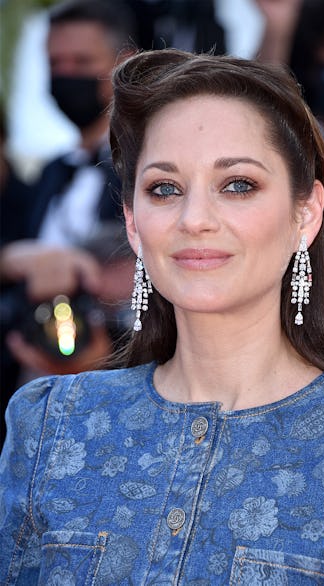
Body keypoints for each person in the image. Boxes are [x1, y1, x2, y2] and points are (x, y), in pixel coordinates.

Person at [0, 49, 324, 584]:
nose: (195, 219)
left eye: (237, 185)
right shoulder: (49, 423)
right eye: (164, 189)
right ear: (133, 223)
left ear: (306, 213)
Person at [0, 0, 136, 401]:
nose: (65, 76)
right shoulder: (50, 173)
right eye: (55, 64)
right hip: (26, 381)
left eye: (81, 62)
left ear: (122, 65)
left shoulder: (152, 172)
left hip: (117, 381)